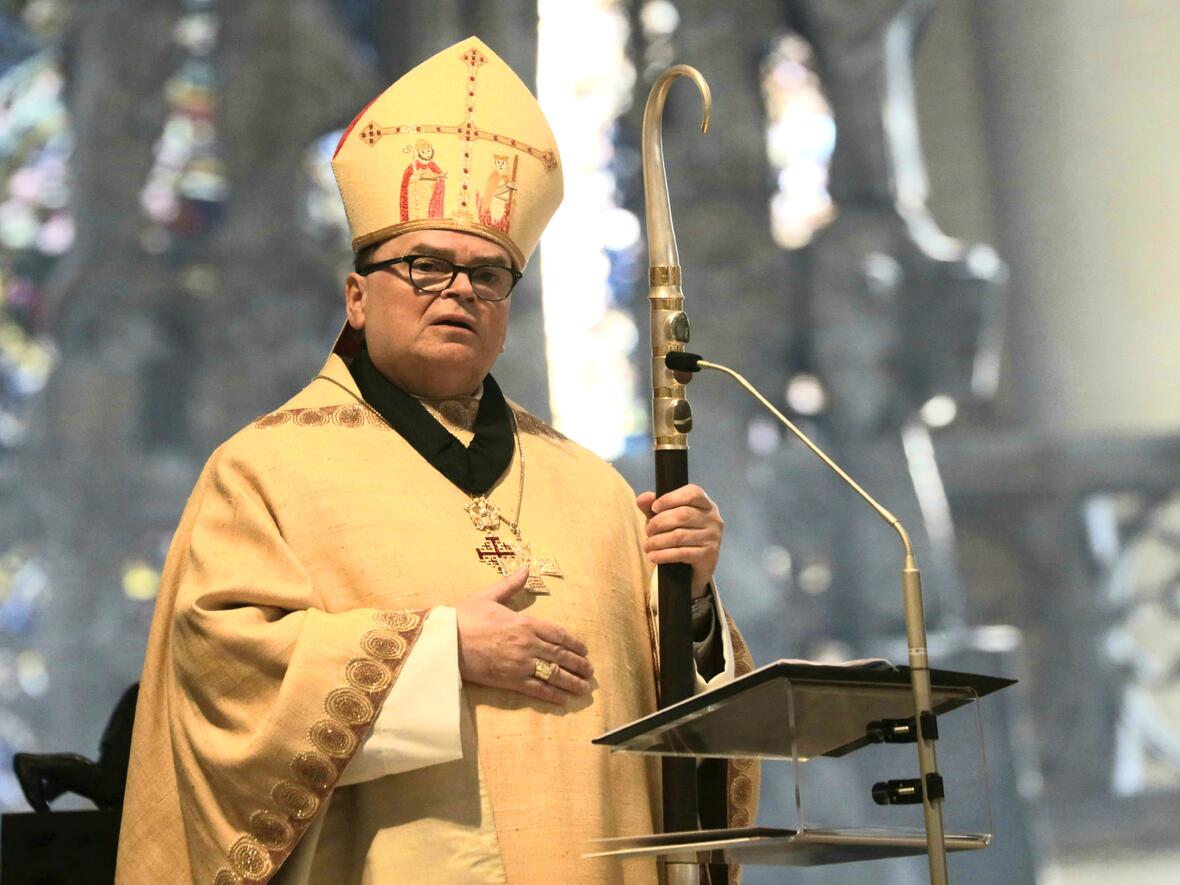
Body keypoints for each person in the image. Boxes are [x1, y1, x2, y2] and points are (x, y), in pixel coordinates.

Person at [116, 38, 755, 884]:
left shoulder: (595, 488)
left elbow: (683, 741)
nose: (459, 290)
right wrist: (438, 648)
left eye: (489, 275)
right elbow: (221, 687)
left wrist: (694, 598)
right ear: (356, 295)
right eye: (425, 265)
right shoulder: (264, 471)